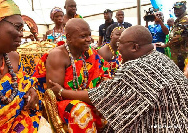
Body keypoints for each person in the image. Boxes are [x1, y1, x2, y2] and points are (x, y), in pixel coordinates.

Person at [48, 25, 188, 132]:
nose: (117, 47)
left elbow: (103, 96)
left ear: (134, 47)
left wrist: (62, 92)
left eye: (120, 43)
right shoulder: (161, 58)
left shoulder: (136, 68)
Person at [33, 18, 110, 132]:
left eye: (89, 35)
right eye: (83, 36)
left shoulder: (90, 53)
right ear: (68, 37)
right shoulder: (57, 56)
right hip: (65, 102)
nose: (89, 39)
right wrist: (87, 95)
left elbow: (103, 75)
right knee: (81, 111)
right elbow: (55, 93)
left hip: (88, 95)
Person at [0, 0, 43, 132]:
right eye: (17, 27)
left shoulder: (14, 58)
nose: (21, 34)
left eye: (22, 29)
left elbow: (26, 84)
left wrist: (32, 92)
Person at [159, 1, 188, 71]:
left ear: (184, 9)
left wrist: (166, 45)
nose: (176, 11)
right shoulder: (179, 20)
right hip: (178, 52)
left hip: (182, 53)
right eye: (175, 9)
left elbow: (179, 37)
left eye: (178, 9)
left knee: (181, 72)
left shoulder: (185, 20)